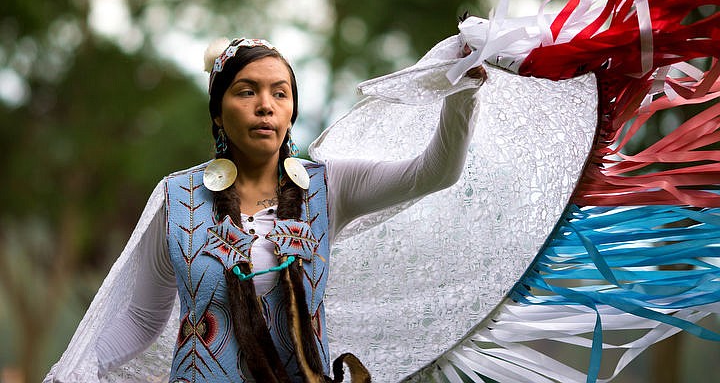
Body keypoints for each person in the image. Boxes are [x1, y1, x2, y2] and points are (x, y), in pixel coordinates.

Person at [45, 35, 486, 383]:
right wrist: (79, 370)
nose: (265, 107)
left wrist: (463, 88)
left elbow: (435, 172)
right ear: (218, 111)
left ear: (291, 111)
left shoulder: (328, 187)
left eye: (280, 93)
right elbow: (143, 318)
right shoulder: (177, 200)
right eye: (246, 91)